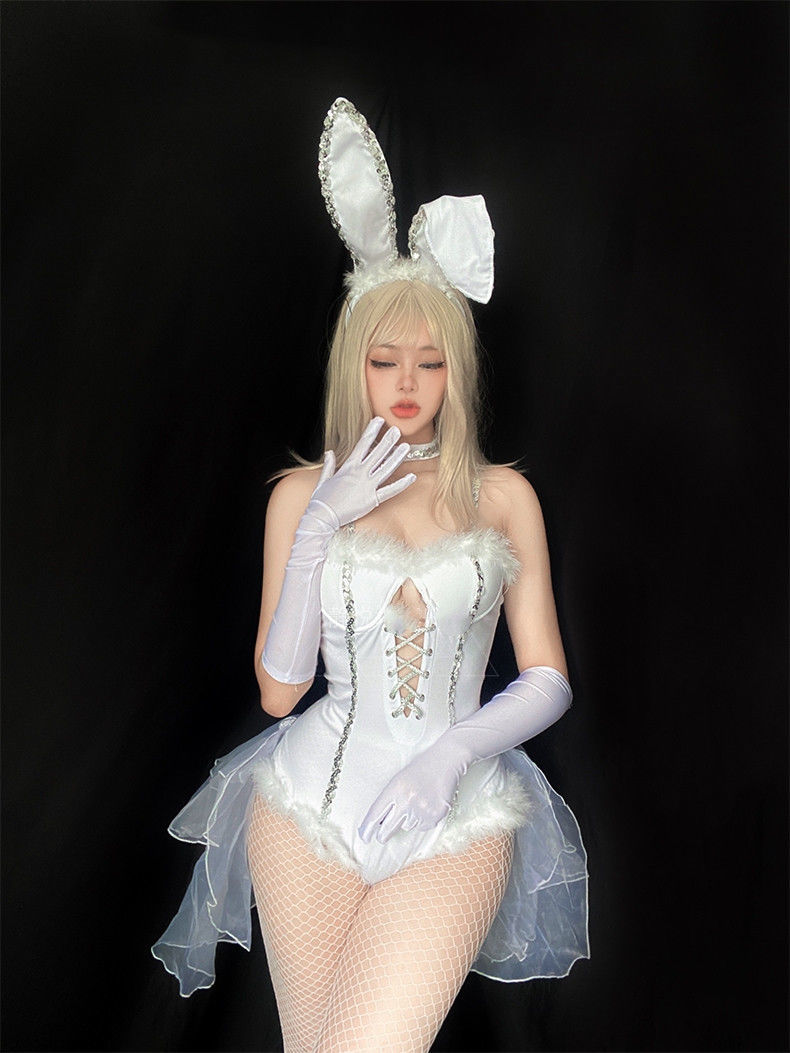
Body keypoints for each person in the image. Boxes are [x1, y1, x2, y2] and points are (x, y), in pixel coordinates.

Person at [152, 97, 588, 1053]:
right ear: (354, 363)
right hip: (304, 810)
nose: (407, 384)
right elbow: (279, 691)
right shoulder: (299, 496)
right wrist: (318, 526)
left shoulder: (504, 496)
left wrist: (451, 753)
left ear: (456, 371)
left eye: (430, 363)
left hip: (456, 816)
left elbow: (549, 677)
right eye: (386, 360)